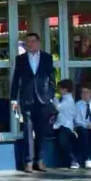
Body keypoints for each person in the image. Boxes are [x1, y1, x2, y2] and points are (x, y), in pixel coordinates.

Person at [10, 32, 57, 173]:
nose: (29, 44)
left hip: (42, 100)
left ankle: (40, 160)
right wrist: (14, 99)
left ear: (38, 42)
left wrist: (49, 96)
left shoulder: (47, 58)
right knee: (28, 130)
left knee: (41, 131)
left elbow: (52, 79)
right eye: (27, 42)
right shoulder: (21, 59)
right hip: (27, 99)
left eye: (32, 41)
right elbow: (16, 80)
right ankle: (29, 161)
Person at [52, 79, 82, 168]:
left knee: (63, 142)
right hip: (59, 125)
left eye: (60, 88)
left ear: (65, 89)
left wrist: (53, 97)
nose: (59, 90)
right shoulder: (63, 98)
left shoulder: (69, 100)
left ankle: (74, 160)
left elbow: (58, 108)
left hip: (66, 125)